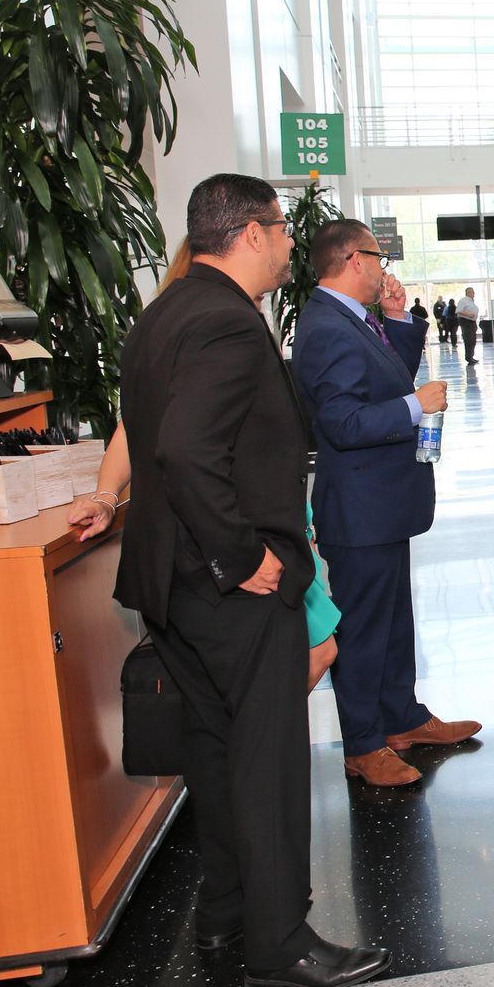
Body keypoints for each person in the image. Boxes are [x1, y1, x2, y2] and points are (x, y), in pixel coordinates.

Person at [114, 173, 388, 987]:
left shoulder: (164, 314)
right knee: (266, 761)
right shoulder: (229, 326)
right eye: (278, 229)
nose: (287, 244)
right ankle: (279, 942)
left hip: (173, 588)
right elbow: (187, 454)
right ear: (248, 233)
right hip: (232, 588)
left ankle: (227, 913)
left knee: (217, 752)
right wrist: (245, 558)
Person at [73, 243, 340, 691]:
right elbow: (145, 431)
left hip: (273, 523)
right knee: (299, 663)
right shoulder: (215, 324)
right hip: (235, 535)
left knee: (313, 653)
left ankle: (268, 729)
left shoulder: (232, 315)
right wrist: (105, 496)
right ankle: (269, 733)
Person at [290, 220, 478, 787]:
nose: (385, 266)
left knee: (394, 620)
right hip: (360, 506)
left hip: (383, 504)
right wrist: (416, 407)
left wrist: (398, 321)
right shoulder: (325, 326)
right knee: (365, 628)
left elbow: (384, 377)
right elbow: (343, 422)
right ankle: (363, 743)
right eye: (379, 256)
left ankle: (402, 718)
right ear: (353, 259)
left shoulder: (355, 318)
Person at [456, 286, 481, 364]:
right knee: (468, 340)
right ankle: (468, 357)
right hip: (466, 322)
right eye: (472, 292)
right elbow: (458, 311)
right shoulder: (463, 301)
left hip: (472, 322)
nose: (474, 293)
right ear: (468, 293)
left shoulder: (471, 301)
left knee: (473, 340)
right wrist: (468, 314)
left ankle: (471, 356)